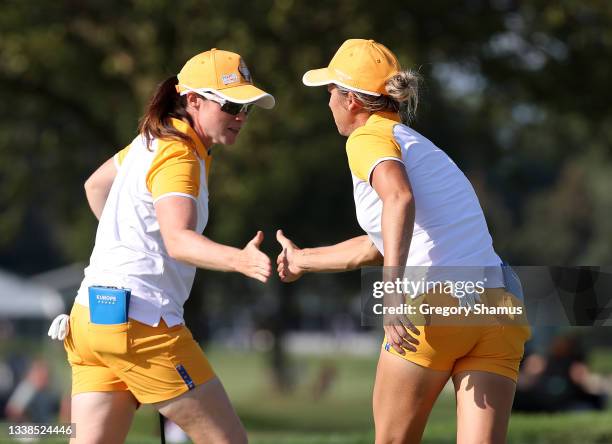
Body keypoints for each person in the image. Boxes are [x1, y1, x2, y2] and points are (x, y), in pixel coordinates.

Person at [276, 39, 530, 443]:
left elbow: (399, 198)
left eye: (330, 92)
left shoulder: (365, 139)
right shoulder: (418, 146)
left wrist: (392, 293)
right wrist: (304, 260)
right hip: (498, 306)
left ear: (351, 100)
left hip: (437, 305)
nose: (327, 102)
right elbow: (384, 240)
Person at [59, 48, 274, 444]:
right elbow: (179, 241)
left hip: (91, 316)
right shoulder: (180, 154)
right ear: (193, 99)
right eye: (231, 105)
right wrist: (239, 260)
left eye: (248, 108)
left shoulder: (151, 140)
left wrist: (128, 246)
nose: (241, 116)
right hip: (141, 325)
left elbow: (95, 185)